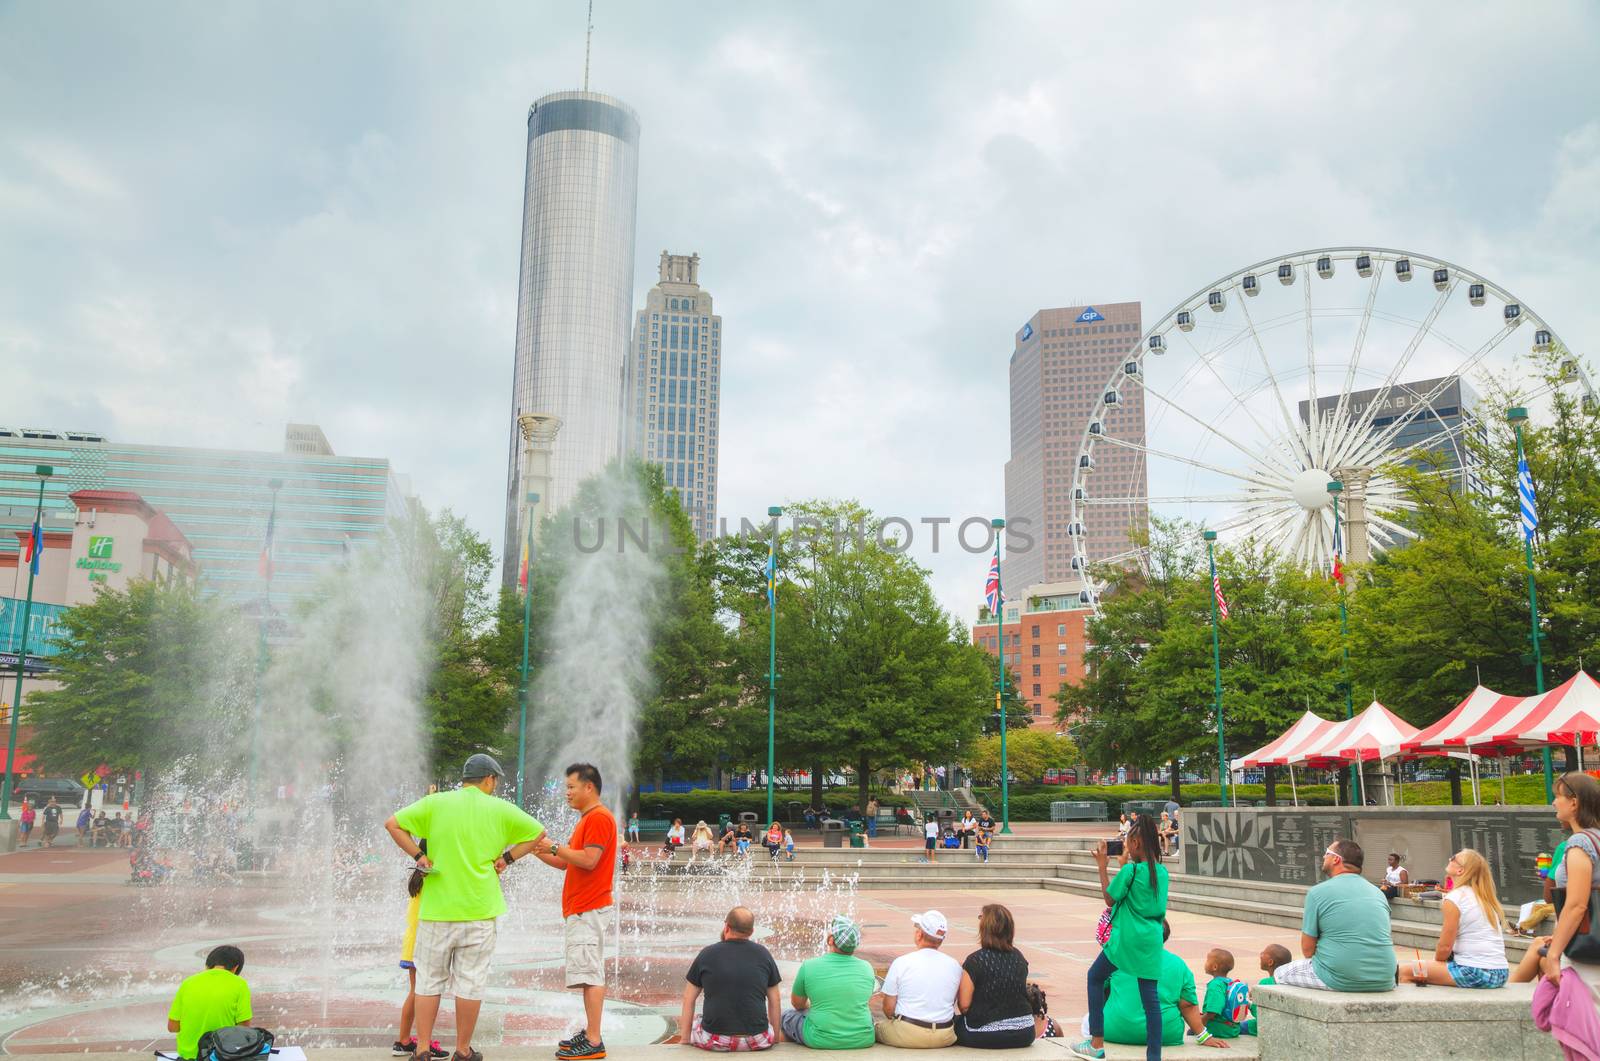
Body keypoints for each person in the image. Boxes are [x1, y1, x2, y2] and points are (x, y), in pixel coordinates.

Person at [384, 753, 549, 1061]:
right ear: (489, 779)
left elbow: (392, 824)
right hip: (480, 908)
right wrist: (507, 859)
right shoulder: (500, 809)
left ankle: (421, 1049)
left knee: (429, 981)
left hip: (436, 910)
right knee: (471, 982)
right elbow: (538, 833)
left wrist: (419, 858)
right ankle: (463, 1049)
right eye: (494, 782)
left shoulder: (436, 804)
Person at [526, 763, 616, 1060]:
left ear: (589, 787)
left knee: (591, 975)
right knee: (587, 972)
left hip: (589, 908)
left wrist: (553, 847)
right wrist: (538, 850)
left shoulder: (599, 818)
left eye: (570, 787)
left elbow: (589, 860)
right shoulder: (587, 819)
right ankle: (590, 1032)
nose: (566, 792)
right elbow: (568, 862)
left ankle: (593, 1040)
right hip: (582, 907)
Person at [1074, 815, 1167, 1061]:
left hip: (1126, 941)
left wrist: (1102, 866)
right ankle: (1154, 1056)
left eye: (1127, 842)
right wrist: (1124, 863)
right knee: (1151, 1000)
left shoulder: (1130, 870)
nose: (1125, 846)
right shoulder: (1161, 872)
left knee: (1095, 977)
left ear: (1136, 843)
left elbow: (1109, 898)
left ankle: (1096, 1042)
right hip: (1150, 941)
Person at [1273, 839, 1395, 992]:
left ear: (1336, 859)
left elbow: (1308, 951)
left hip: (1339, 978)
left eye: (1327, 853)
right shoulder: (1378, 893)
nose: (1324, 857)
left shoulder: (1318, 893)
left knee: (1279, 974)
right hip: (1384, 978)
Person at [1088, 920, 1224, 1053]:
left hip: (1114, 1032)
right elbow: (1187, 1005)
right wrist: (1203, 1036)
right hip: (1165, 1034)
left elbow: (1100, 988)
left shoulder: (1117, 959)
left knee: (1090, 1016)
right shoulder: (1178, 964)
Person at [1397, 848, 1508, 988]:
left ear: (1460, 870)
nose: (1450, 859)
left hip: (1475, 972)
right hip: (1500, 973)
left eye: (1454, 858)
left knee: (1405, 971)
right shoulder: (1483, 898)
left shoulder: (1455, 898)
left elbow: (1444, 947)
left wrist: (1437, 964)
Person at [677, 906, 782, 1051]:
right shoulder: (764, 954)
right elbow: (775, 999)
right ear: (751, 932)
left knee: (698, 1021)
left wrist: (685, 1039)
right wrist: (775, 1038)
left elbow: (688, 998)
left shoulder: (707, 954)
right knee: (768, 1025)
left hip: (716, 1040)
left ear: (726, 927)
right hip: (758, 1040)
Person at [781, 915, 875, 1049]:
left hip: (819, 1038)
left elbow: (797, 1004)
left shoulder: (809, 966)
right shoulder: (867, 967)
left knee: (787, 1015)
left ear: (831, 940)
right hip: (863, 1038)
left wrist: (811, 1008)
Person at [875, 910, 961, 1048]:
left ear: (919, 934)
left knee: (875, 1028)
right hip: (945, 1035)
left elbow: (888, 1009)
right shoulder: (955, 965)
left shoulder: (901, 962)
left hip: (907, 1033)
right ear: (941, 939)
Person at [393, 842, 447, 1059]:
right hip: (423, 943)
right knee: (425, 993)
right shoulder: (429, 877)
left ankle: (404, 1040)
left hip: (413, 943)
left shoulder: (417, 877)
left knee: (416, 991)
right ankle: (414, 1041)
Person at [954, 903, 1034, 1048]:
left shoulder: (975, 960)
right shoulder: (1019, 957)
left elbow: (964, 1005)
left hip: (987, 1034)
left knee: (951, 1025)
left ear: (985, 928)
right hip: (1025, 1032)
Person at [166, 945, 252, 1060]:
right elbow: (244, 1028)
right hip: (221, 1055)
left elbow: (173, 1027)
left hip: (188, 1057)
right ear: (236, 968)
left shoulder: (187, 983)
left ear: (207, 965)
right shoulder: (240, 984)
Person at [1198, 949, 1248, 1040]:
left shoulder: (1215, 984)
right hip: (1233, 1029)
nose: (1205, 963)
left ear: (1214, 967)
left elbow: (1214, 1009)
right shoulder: (1229, 982)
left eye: (1207, 960)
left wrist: (1201, 1023)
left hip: (1219, 1030)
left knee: (1192, 1031)